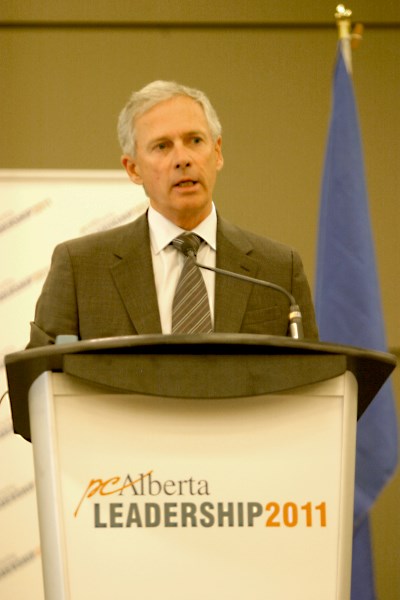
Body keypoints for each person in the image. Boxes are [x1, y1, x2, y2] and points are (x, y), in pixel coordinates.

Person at [27, 80, 318, 348]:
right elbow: (39, 385)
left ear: (217, 153)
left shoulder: (278, 271)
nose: (182, 159)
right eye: (162, 146)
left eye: (195, 141)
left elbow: (312, 383)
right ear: (133, 169)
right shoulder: (81, 269)